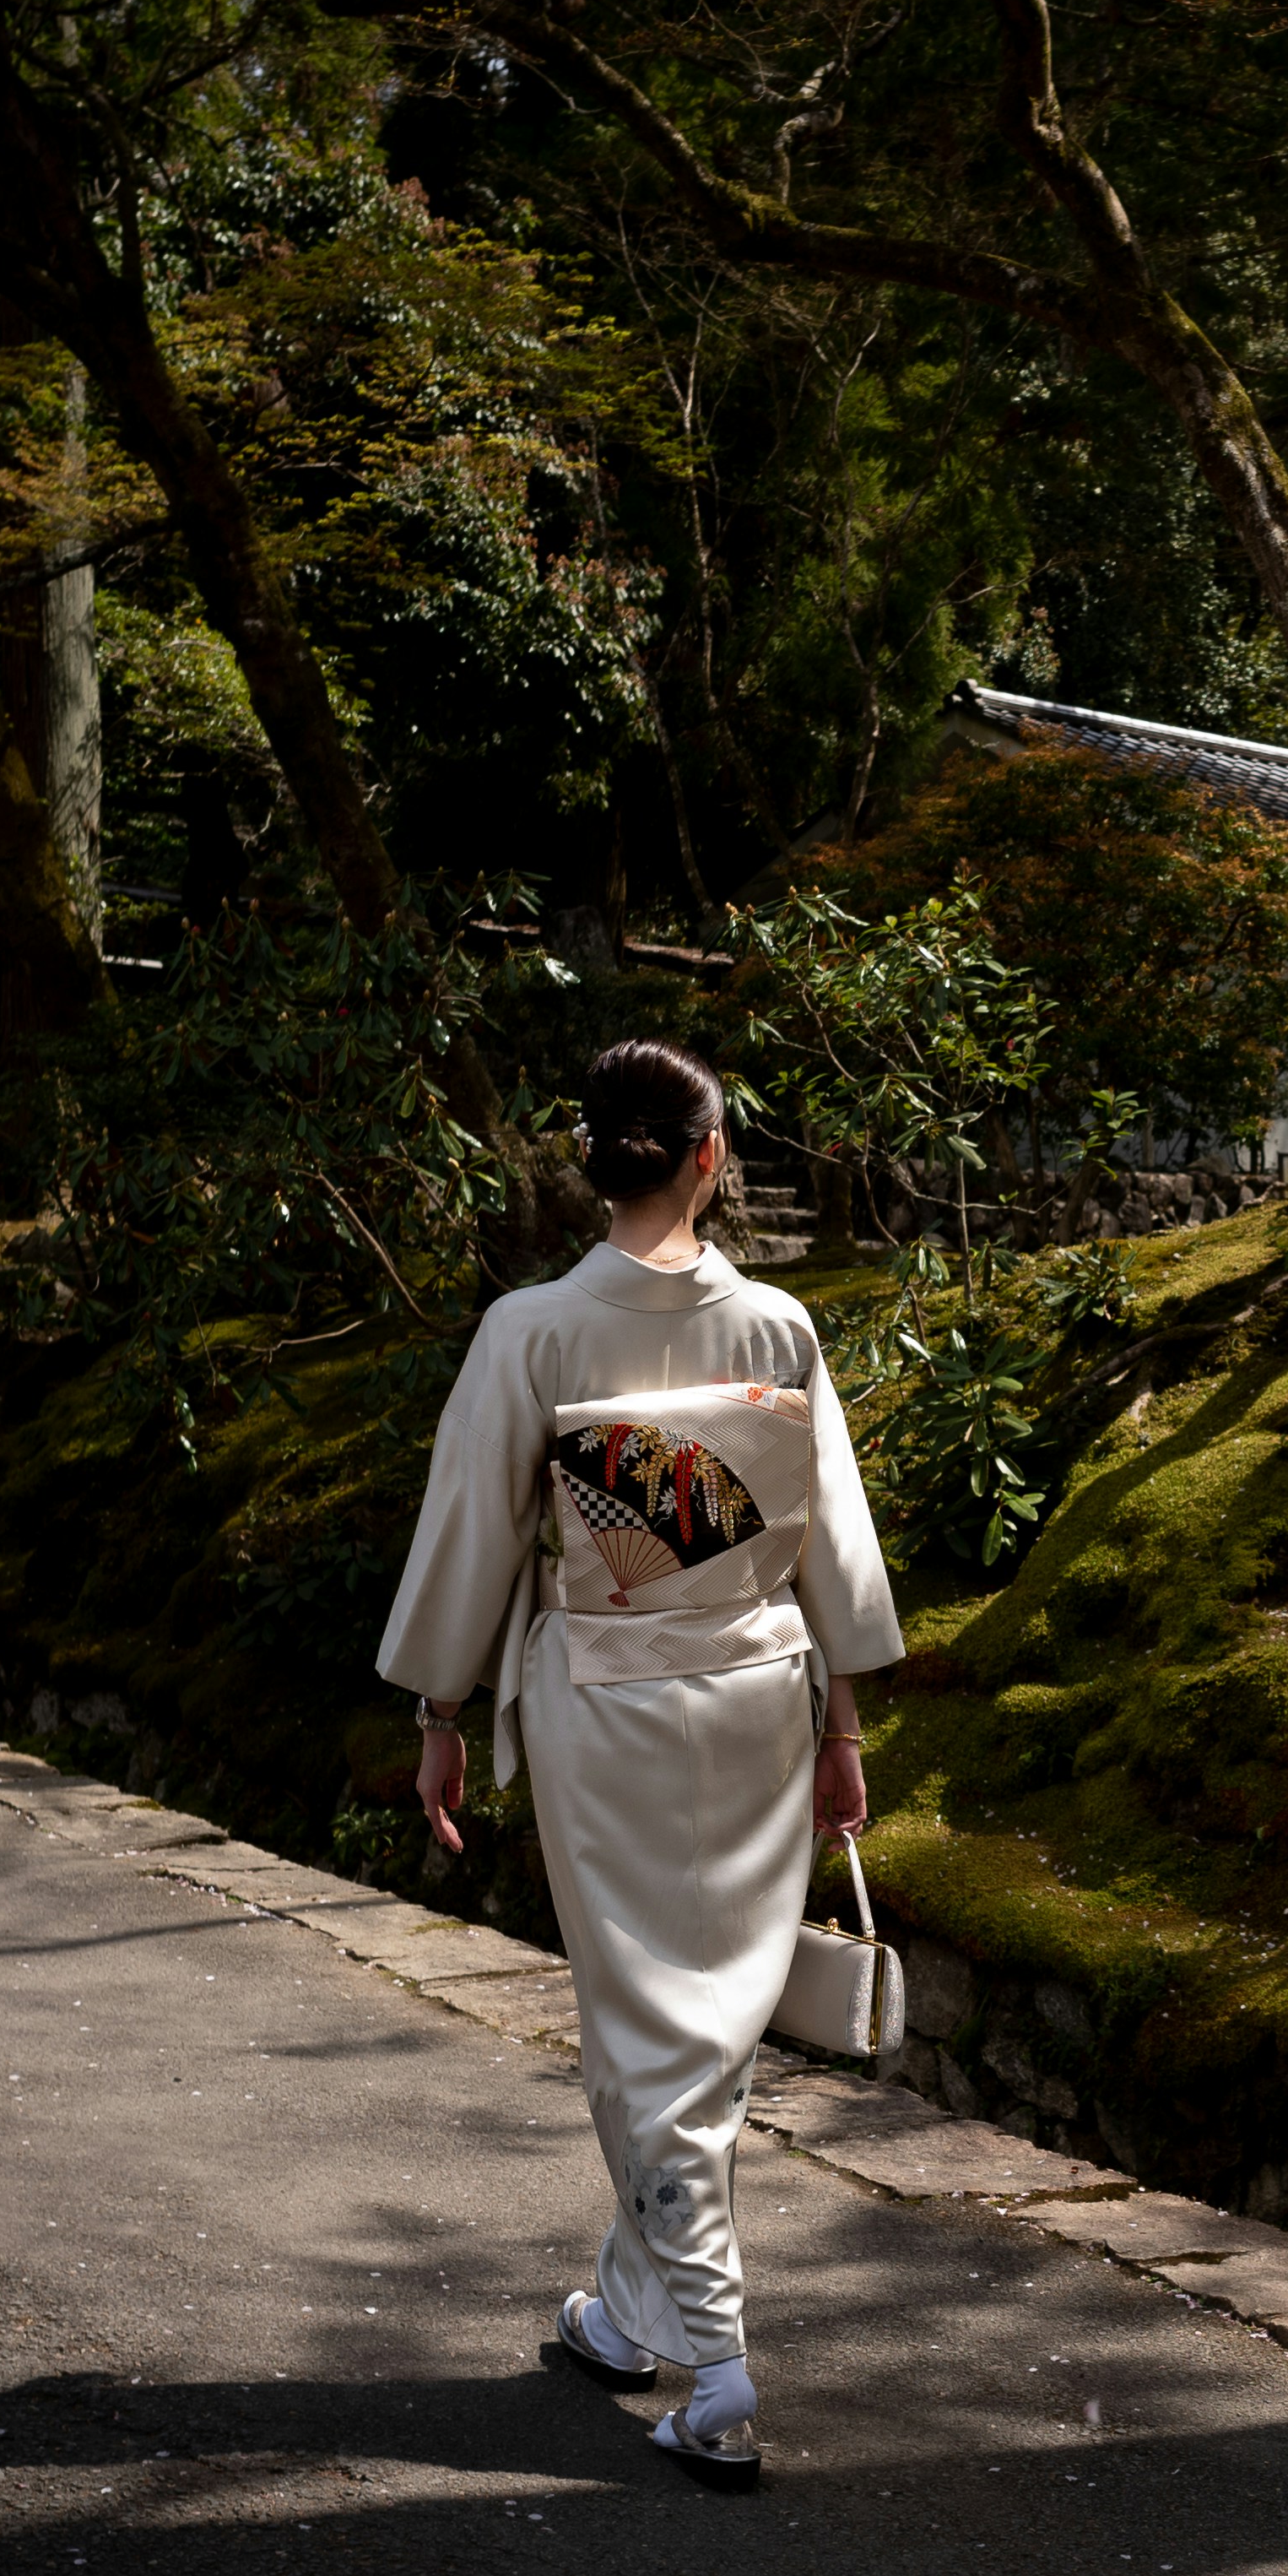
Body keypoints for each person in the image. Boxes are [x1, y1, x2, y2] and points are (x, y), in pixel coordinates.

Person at [376, 1038, 901, 2483]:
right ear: (709, 1159)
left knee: (645, 2024)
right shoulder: (781, 1329)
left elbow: (472, 1536)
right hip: (756, 1687)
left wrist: (438, 1714)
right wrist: (844, 1733)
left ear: (594, 1159)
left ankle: (721, 2364)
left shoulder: (531, 1331)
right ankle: (624, 2313)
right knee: (699, 2023)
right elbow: (833, 1551)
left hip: (606, 1699)